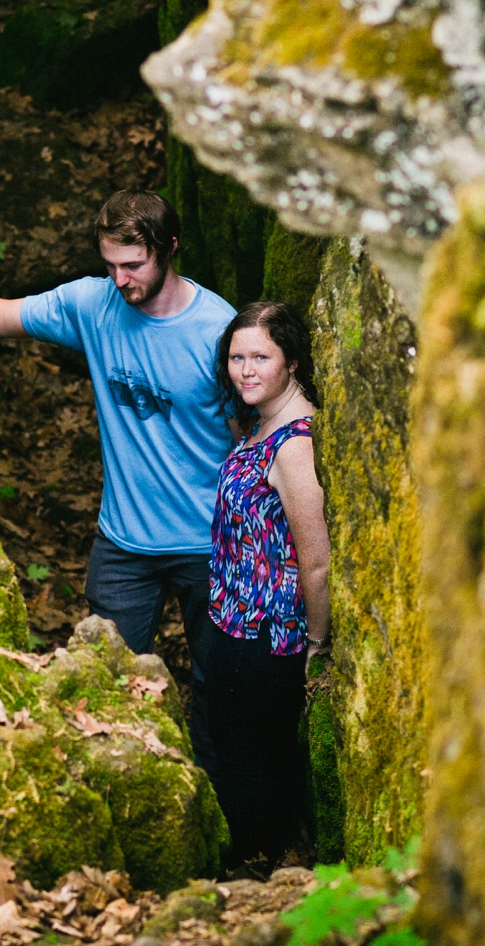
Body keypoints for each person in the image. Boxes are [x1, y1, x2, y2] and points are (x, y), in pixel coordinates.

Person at [0, 190, 237, 760]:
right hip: (125, 544)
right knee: (102, 686)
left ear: (170, 248)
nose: (120, 279)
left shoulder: (220, 331)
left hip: (210, 544)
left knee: (221, 694)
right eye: (109, 264)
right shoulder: (93, 305)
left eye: (133, 265)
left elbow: (253, 439)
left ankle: (226, 823)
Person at [200, 299, 329, 872]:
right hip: (233, 624)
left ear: (293, 362)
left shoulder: (295, 445)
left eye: (261, 357)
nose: (245, 370)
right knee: (233, 749)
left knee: (256, 760)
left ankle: (254, 865)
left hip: (267, 638)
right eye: (236, 357)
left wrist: (317, 647)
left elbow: (316, 561)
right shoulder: (262, 425)